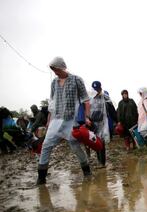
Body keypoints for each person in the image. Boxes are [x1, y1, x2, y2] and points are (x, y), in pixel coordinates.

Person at [36, 57, 92, 185]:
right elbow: (52, 103)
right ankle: (41, 178)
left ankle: (87, 171)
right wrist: (49, 120)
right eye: (53, 70)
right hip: (56, 119)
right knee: (46, 145)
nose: (55, 72)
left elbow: (86, 100)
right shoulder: (54, 83)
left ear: (62, 67)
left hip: (71, 120)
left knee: (75, 147)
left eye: (56, 69)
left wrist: (87, 117)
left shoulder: (76, 79)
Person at [90, 81, 111, 167]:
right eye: (95, 89)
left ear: (100, 88)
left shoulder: (104, 96)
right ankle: (99, 160)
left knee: (101, 142)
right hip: (92, 123)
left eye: (97, 89)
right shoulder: (90, 97)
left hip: (102, 122)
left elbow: (110, 101)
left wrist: (102, 93)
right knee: (95, 142)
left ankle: (102, 163)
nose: (96, 91)